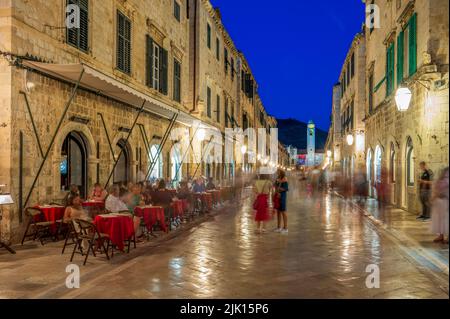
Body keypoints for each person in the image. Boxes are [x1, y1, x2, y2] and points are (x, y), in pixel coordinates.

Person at [431, 167, 449, 243]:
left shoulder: (447, 180)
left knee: (446, 219)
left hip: (446, 201)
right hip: (439, 202)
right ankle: (441, 236)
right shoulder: (440, 180)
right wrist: (434, 197)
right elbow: (436, 189)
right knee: (439, 219)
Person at [274, 169, 289, 234]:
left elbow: (286, 188)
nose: (277, 173)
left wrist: (279, 188)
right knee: (278, 212)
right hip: (277, 196)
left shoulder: (284, 179)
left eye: (278, 172)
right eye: (277, 172)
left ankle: (285, 228)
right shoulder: (278, 178)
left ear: (281, 172)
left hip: (282, 196)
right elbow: (274, 185)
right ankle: (278, 227)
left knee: (283, 212)